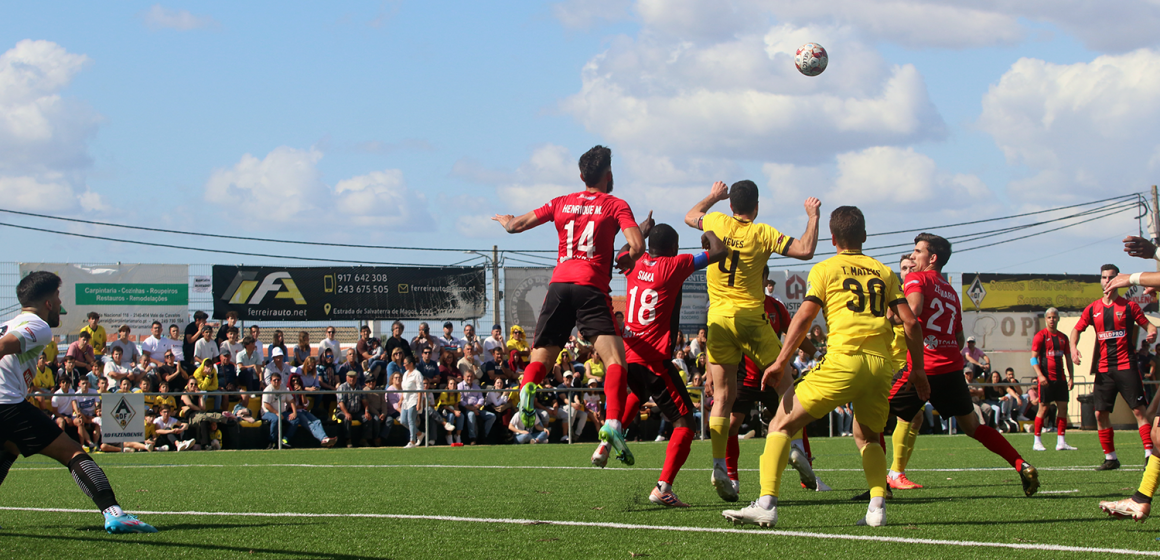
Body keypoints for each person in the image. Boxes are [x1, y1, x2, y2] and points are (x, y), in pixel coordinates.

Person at [722, 206, 926, 528]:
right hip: (880, 365)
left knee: (779, 425)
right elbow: (911, 324)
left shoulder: (826, 268)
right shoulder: (884, 272)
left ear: (832, 239)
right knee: (868, 435)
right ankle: (877, 507)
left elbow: (803, 318)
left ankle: (766, 504)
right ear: (865, 236)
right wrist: (918, 370)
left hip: (844, 360)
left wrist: (780, 361)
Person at [493, 145, 646, 466]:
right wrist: (627, 258)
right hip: (590, 287)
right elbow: (637, 244)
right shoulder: (615, 204)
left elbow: (517, 225)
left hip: (559, 286)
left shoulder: (562, 202)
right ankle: (614, 423)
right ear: (608, 175)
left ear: (580, 176)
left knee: (542, 358)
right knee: (616, 361)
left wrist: (507, 222)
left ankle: (528, 387)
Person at [684, 179, 820, 502]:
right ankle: (797, 446)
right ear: (756, 208)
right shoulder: (763, 233)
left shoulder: (717, 220)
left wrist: (713, 197)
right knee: (787, 384)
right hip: (751, 318)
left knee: (722, 397)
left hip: (717, 319)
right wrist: (812, 216)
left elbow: (691, 215)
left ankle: (719, 465)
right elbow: (805, 250)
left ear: (731, 206)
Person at [0, 271, 156, 532]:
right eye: (58, 297)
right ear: (48, 302)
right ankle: (115, 513)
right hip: (6, 404)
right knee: (72, 452)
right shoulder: (37, 325)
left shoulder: (7, 321)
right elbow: (4, 346)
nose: (61, 305)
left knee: (9, 449)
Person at [896, 233, 1040, 497]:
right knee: (973, 426)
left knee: (870, 417)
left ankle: (882, 488)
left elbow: (913, 313)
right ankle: (1021, 464)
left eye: (918, 251)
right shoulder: (950, 291)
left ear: (933, 258)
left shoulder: (915, 278)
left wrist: (888, 315)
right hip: (951, 368)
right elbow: (959, 337)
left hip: (924, 367)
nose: (913, 256)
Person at [608, 216, 726, 507]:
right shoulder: (674, 264)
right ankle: (663, 487)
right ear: (674, 247)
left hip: (629, 352)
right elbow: (720, 252)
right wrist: (707, 229)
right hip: (654, 357)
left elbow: (621, 254)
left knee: (638, 393)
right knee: (685, 421)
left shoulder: (633, 262)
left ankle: (609, 437)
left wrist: (640, 233)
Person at [1071, 264, 1157, 471]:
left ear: (1118, 280)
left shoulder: (1129, 307)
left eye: (1111, 277)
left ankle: (1149, 455)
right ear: (1100, 281)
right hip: (1104, 370)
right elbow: (1076, 330)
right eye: (1103, 277)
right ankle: (1111, 458)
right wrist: (1073, 348)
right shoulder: (1093, 309)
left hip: (1127, 366)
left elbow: (1149, 325)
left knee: (1139, 411)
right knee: (1100, 413)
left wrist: (1152, 332)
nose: (1107, 281)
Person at [1031, 307, 1077, 451]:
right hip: (1046, 380)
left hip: (1061, 379)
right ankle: (1037, 441)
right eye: (1049, 317)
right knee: (1043, 408)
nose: (1052, 320)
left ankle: (1061, 442)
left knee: (1063, 408)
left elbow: (1068, 359)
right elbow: (1033, 359)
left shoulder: (1063, 338)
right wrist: (1040, 375)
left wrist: (1071, 377)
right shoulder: (1040, 336)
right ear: (1046, 319)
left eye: (1054, 317)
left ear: (1058, 319)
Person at [285, 375, 337, 448]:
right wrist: (298, 407)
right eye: (293, 380)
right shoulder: (287, 390)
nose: (296, 382)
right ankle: (323, 439)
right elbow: (288, 405)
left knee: (317, 421)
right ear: (290, 381)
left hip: (303, 410)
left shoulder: (301, 389)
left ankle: (325, 438)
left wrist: (301, 392)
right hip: (293, 412)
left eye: (297, 380)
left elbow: (305, 403)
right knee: (309, 423)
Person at [335, 370, 371, 447]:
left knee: (367, 418)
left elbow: (364, 401)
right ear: (346, 378)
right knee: (346, 418)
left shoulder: (359, 387)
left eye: (354, 377)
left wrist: (366, 411)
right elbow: (340, 403)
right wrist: (346, 413)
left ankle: (363, 440)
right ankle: (348, 440)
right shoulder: (342, 387)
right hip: (342, 411)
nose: (352, 379)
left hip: (356, 412)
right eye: (350, 377)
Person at [458, 371, 494, 445]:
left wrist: (477, 406)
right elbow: (461, 401)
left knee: (492, 416)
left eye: (471, 376)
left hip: (477, 408)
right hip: (466, 408)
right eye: (468, 376)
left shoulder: (476, 386)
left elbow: (481, 398)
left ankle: (483, 436)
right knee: (471, 415)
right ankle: (473, 438)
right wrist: (472, 408)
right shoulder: (460, 386)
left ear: (474, 377)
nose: (469, 378)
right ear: (464, 377)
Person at [400, 357, 426, 448]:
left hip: (414, 400)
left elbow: (420, 389)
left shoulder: (417, 374)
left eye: (405, 363)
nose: (404, 365)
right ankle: (419, 433)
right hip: (406, 401)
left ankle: (412, 441)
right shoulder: (405, 374)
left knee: (411, 420)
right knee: (403, 420)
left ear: (411, 364)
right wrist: (401, 399)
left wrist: (419, 402)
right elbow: (404, 389)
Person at [437, 377, 464, 446]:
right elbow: (444, 406)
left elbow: (456, 405)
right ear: (448, 385)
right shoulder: (444, 393)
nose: (453, 385)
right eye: (451, 384)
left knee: (461, 416)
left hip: (452, 409)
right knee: (451, 416)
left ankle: (458, 436)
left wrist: (457, 411)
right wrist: (454, 412)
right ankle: (449, 435)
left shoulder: (457, 393)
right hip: (444, 410)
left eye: (454, 384)